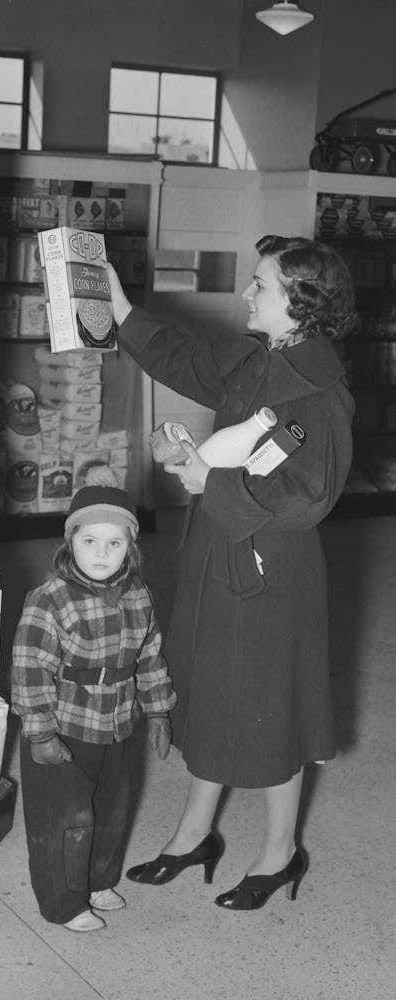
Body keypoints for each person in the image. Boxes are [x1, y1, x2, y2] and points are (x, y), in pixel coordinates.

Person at [107, 234, 356, 910]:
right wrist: (121, 309)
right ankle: (195, 835)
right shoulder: (264, 358)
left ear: (300, 305)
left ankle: (279, 853)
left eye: (261, 285)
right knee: (212, 690)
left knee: (273, 706)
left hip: (270, 565)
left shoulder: (318, 391)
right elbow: (190, 358)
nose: (248, 293)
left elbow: (308, 495)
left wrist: (202, 479)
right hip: (224, 551)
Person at [11, 468, 175, 932]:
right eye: (89, 542)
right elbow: (28, 669)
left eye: (114, 543)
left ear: (131, 547)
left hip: (118, 723)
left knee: (112, 806)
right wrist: (40, 732)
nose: (101, 554)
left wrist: (159, 709)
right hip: (64, 727)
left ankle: (99, 880)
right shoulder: (50, 599)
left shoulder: (139, 595)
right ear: (70, 543)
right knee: (68, 816)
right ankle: (64, 903)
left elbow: (151, 655)